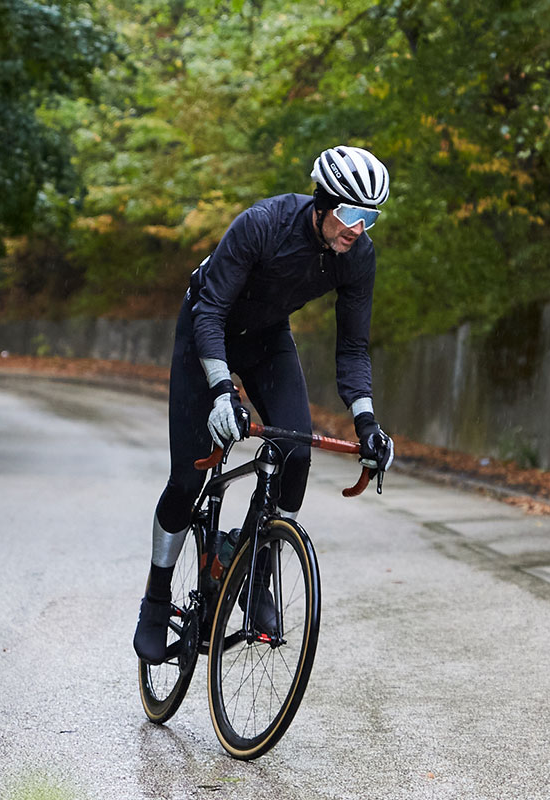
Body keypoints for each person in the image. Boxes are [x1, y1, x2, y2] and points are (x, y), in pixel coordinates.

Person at [133, 145, 397, 663]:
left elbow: (353, 348)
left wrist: (366, 421)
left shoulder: (357, 257)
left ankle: (257, 572)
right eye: (350, 213)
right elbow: (210, 310)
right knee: (187, 478)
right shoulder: (262, 224)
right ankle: (156, 598)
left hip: (267, 337)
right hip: (206, 328)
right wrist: (221, 391)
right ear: (322, 203)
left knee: (296, 454)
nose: (358, 228)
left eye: (370, 217)